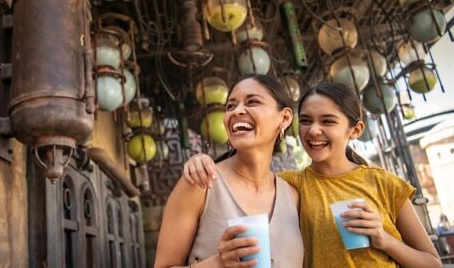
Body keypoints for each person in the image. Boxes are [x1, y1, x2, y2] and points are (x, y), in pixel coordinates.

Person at [182, 82, 442, 268]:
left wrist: (384, 240)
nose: (313, 130)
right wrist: (201, 161)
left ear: (356, 129)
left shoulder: (384, 183)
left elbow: (432, 263)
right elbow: (248, 174)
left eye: (328, 121)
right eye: (305, 121)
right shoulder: (291, 185)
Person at [154, 74, 304, 268]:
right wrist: (217, 263)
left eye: (252, 102)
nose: (237, 111)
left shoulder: (293, 197)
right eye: (231, 106)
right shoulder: (201, 182)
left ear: (284, 118)